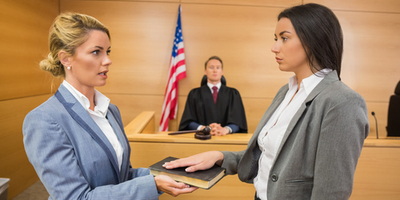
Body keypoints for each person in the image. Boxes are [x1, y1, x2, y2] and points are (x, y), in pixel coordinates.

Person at [164, 3, 369, 200]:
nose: (274, 47)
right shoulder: (286, 92)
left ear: (313, 40)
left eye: (284, 38)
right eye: (275, 38)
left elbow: (331, 193)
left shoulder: (342, 102)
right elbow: (269, 156)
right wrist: (218, 156)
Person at [22, 12, 196, 200]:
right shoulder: (44, 120)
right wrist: (151, 184)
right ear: (66, 59)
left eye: (108, 51)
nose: (108, 61)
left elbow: (122, 177)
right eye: (96, 52)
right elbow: (75, 197)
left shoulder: (110, 110)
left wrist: (161, 176)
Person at [179, 56, 248, 135]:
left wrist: (225, 129)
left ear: (222, 71)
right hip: (201, 139)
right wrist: (203, 128)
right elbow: (188, 122)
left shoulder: (233, 94)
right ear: (205, 71)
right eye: (211, 67)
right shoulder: (194, 94)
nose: (215, 70)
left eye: (218, 68)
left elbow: (239, 122)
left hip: (226, 140)